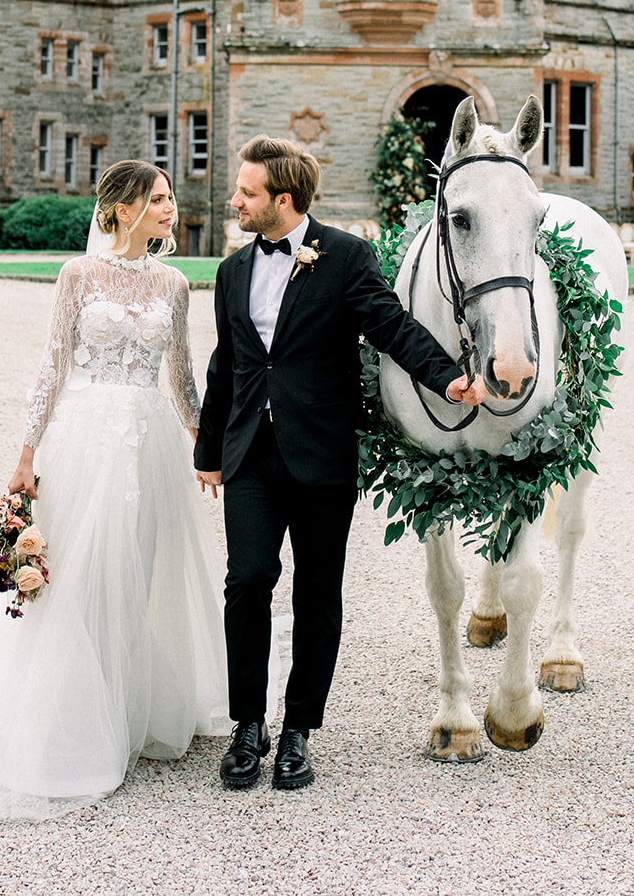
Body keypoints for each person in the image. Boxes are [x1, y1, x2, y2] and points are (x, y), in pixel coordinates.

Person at [194, 135, 483, 791]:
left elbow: (393, 326)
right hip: (250, 455)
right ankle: (248, 726)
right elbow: (226, 363)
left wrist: (449, 379)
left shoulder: (347, 256)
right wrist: (209, 450)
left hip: (321, 454)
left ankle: (298, 729)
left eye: (246, 191)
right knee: (248, 582)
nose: (234, 199)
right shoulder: (232, 270)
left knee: (317, 593)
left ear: (283, 199)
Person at [0, 160, 227, 820]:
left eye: (171, 196)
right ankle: (72, 721)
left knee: (132, 573)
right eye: (159, 198)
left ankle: (125, 708)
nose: (171, 207)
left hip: (148, 444)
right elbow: (52, 364)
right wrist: (25, 455)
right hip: (82, 439)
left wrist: (205, 443)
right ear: (120, 208)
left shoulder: (173, 281)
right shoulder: (77, 275)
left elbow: (182, 373)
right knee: (77, 576)